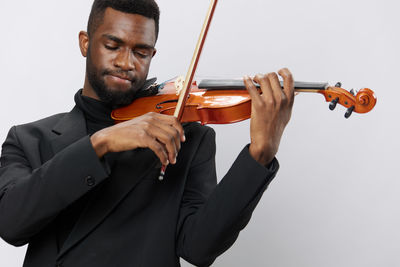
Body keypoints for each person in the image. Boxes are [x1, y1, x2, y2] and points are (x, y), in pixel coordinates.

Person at [0, 0, 294, 266]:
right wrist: (101, 142)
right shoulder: (27, 140)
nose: (127, 63)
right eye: (113, 46)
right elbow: (11, 223)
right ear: (85, 43)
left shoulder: (187, 138)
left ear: (152, 53)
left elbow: (199, 247)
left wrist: (260, 154)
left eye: (141, 52)